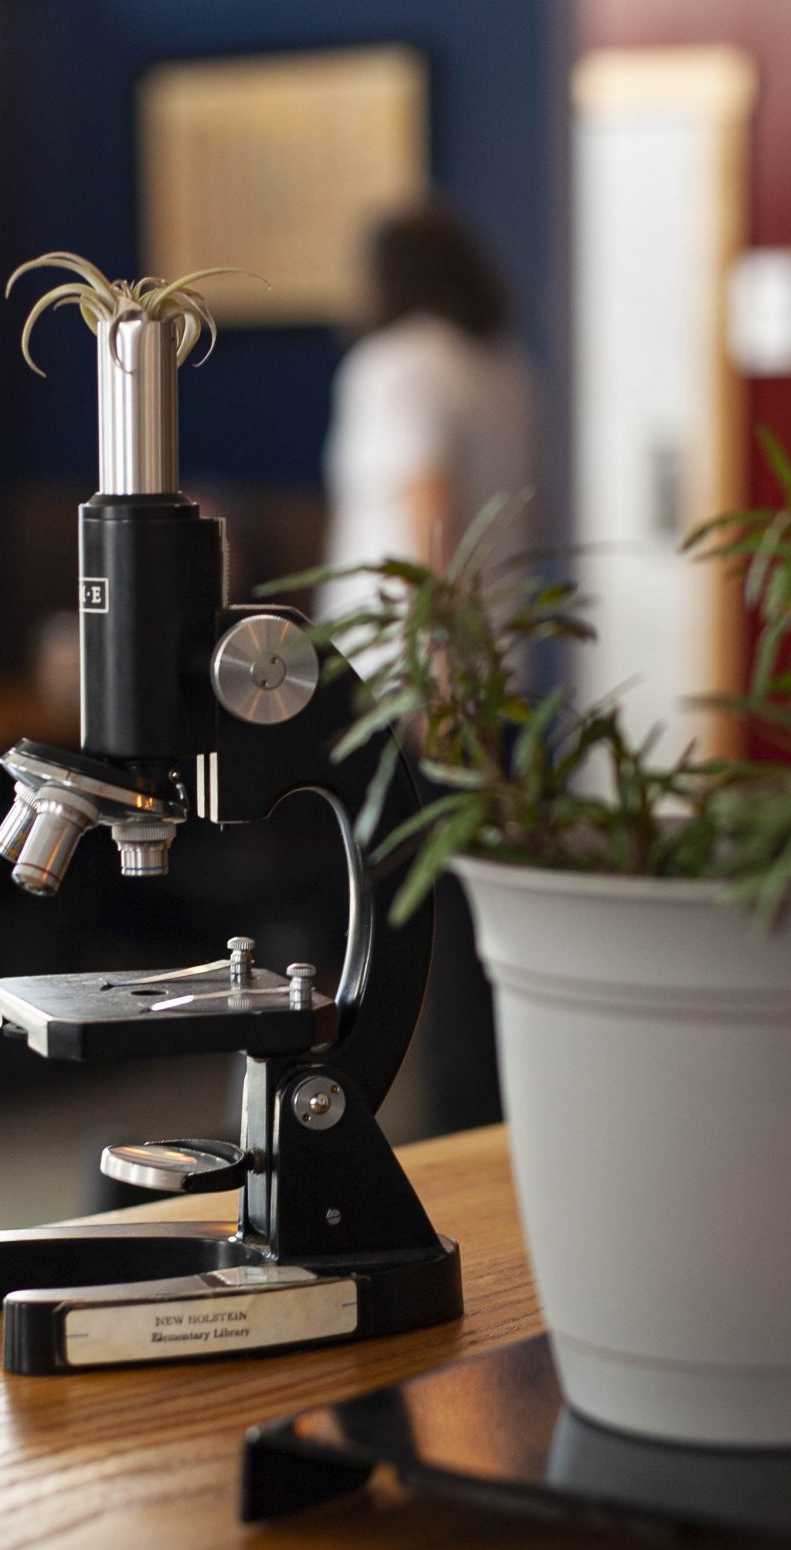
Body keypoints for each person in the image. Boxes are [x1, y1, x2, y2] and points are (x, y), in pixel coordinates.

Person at [320, 202, 538, 1137]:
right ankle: (486, 1136)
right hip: (500, 676)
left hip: (405, 684)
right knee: (479, 932)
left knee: (402, 935)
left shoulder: (397, 365)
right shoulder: (504, 371)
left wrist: (433, 676)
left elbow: (426, 517)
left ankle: (400, 1136)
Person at [321, 200, 539, 628]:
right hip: (495, 632)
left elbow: (429, 504)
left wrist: (438, 654)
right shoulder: (506, 368)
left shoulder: (398, 365)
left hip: (401, 652)